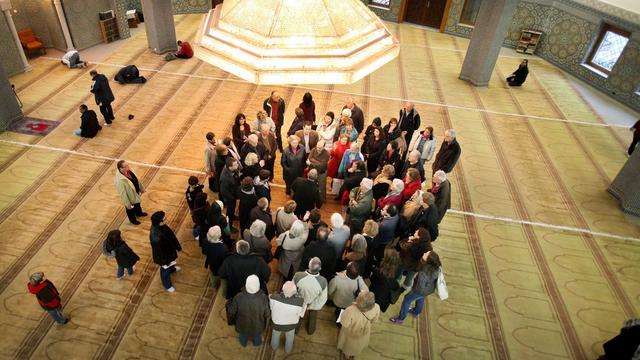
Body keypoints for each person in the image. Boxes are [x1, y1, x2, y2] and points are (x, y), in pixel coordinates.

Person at [390, 250, 441, 324]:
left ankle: (401, 319)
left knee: (407, 299)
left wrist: (414, 290)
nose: (424, 253)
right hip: (429, 289)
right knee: (421, 297)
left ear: (429, 260)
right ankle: (416, 312)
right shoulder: (436, 266)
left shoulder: (423, 272)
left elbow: (420, 286)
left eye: (426, 254)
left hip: (420, 290)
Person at [227, 275, 270, 347]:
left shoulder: (238, 296)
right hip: (258, 325)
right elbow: (267, 314)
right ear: (258, 285)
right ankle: (257, 343)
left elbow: (231, 311)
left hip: (242, 325)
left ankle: (243, 343)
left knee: (243, 335)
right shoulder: (263, 298)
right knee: (257, 336)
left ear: (246, 284)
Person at [337, 290, 380, 359]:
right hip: (364, 332)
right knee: (359, 345)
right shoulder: (377, 307)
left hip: (350, 333)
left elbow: (345, 324)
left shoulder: (350, 310)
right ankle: (354, 355)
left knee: (348, 346)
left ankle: (346, 356)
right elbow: (374, 320)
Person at [293, 257, 328, 335]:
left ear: (309, 266)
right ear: (320, 268)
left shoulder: (298, 275)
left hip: (299, 301)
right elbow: (323, 298)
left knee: (297, 317)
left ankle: (295, 330)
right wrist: (312, 306)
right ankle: (310, 330)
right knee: (313, 317)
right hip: (313, 302)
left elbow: (293, 290)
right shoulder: (323, 281)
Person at [150, 211, 182, 292]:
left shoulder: (162, 226)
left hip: (169, 251)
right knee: (165, 270)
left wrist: (177, 246)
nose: (166, 220)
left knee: (172, 262)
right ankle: (167, 285)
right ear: (159, 222)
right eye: (164, 219)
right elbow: (159, 252)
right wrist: (165, 262)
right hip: (164, 257)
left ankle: (172, 269)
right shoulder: (155, 237)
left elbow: (171, 236)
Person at [270, 281, 305, 353]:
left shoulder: (273, 297)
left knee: (275, 335)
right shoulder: (300, 302)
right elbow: (302, 315)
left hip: (276, 323)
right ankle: (288, 350)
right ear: (295, 292)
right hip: (291, 325)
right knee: (290, 338)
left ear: (282, 289)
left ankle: (274, 347)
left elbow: (271, 307)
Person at [114, 160, 147, 225]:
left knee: (137, 204)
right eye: (126, 166)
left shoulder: (128, 171)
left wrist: (141, 188)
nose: (128, 167)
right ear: (121, 168)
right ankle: (133, 220)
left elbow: (136, 180)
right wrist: (127, 203)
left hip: (134, 192)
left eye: (128, 165)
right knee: (130, 209)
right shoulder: (119, 180)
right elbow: (122, 194)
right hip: (129, 197)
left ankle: (138, 213)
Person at [369, 248, 401, 312]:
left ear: (386, 260)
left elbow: (372, 280)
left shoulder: (379, 272)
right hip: (386, 296)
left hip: (376, 295)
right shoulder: (398, 269)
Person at [219, 157, 240, 232]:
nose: (237, 165)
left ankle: (233, 216)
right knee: (229, 211)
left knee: (233, 208)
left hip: (233, 194)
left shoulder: (232, 169)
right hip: (230, 198)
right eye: (235, 164)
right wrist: (232, 198)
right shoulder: (225, 178)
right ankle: (230, 226)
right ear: (230, 167)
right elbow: (224, 191)